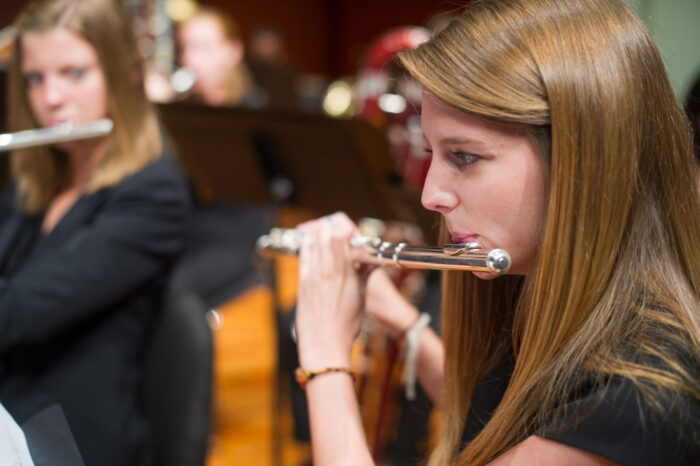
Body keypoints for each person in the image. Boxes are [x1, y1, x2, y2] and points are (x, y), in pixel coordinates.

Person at [293, 0, 700, 465]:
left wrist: (326, 354)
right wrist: (401, 320)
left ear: (579, 163)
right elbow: (505, 421)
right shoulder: (539, 293)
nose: (430, 195)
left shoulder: (641, 397)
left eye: (464, 156)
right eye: (432, 151)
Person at [0, 0, 191, 465]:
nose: (51, 98)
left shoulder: (154, 194)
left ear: (125, 74)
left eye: (75, 73)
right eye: (35, 78)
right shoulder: (35, 184)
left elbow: (16, 311)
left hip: (72, 440)